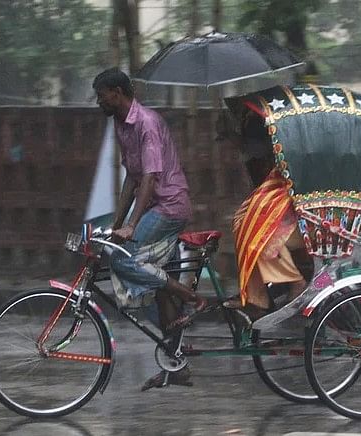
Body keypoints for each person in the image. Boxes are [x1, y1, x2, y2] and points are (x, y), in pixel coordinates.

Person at [92, 68, 208, 388]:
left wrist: (131, 226)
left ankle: (190, 297)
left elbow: (150, 177)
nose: (98, 102)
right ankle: (176, 361)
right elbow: (131, 176)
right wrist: (114, 226)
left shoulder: (147, 123)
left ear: (117, 92)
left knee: (122, 259)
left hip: (169, 206)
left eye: (101, 96)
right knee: (154, 287)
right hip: (154, 206)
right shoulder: (120, 123)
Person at [226, 111, 309, 320]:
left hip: (307, 223)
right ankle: (257, 296)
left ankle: (295, 281)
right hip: (292, 216)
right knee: (244, 223)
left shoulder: (294, 164)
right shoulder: (279, 166)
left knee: (260, 237)